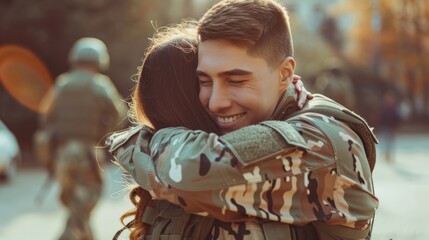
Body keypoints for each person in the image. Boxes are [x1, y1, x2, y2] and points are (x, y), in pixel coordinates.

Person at [109, 0, 378, 239]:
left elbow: (188, 172)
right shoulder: (259, 117)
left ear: (285, 73)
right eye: (204, 81)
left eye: (236, 80)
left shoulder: (319, 138)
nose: (216, 102)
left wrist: (137, 140)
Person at [38, 37, 127, 240]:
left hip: (62, 154)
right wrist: (103, 133)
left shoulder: (61, 84)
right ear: (99, 60)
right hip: (88, 153)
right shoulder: (100, 85)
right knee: (84, 204)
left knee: (76, 205)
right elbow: (120, 114)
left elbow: (45, 116)